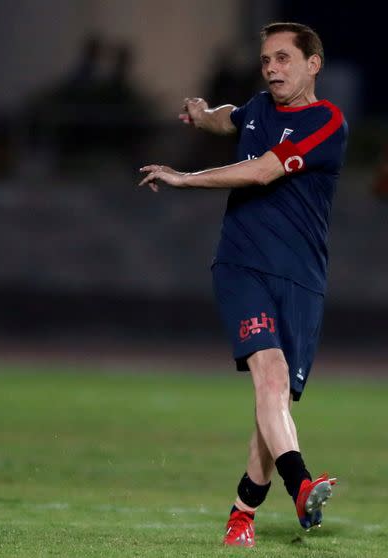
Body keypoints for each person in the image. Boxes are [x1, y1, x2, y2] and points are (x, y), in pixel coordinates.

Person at [138, 22, 347, 547]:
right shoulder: (256, 108)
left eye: (283, 59)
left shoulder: (326, 122)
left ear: (312, 64)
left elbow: (259, 172)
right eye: (266, 62)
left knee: (274, 406)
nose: (273, 69)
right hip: (242, 266)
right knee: (269, 379)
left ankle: (241, 514)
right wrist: (199, 112)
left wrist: (186, 177)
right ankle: (302, 485)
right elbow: (224, 118)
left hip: (302, 278)